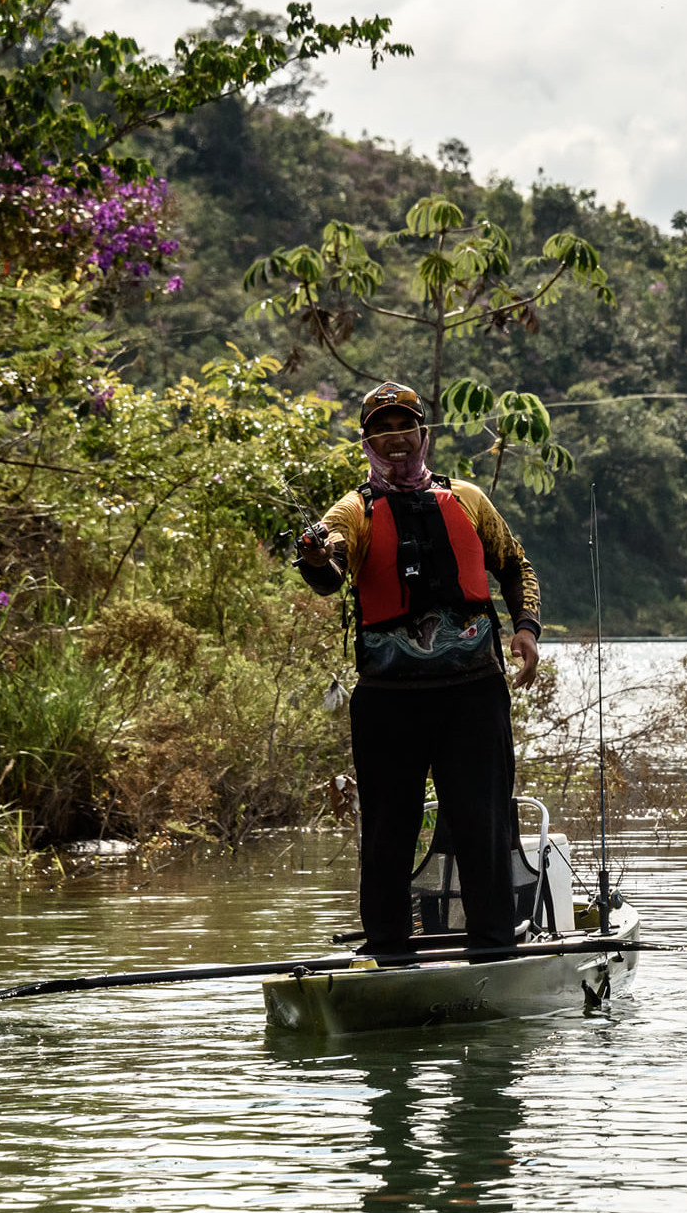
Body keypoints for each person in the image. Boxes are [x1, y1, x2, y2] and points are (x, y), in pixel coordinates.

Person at [295, 381, 544, 958]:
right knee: (387, 832)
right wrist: (315, 555)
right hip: (388, 701)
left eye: (405, 428)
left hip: (473, 695)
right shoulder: (353, 511)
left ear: (423, 434)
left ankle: (493, 949)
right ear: (368, 442)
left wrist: (526, 629)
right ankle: (389, 952)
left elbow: (515, 566)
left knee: (483, 825)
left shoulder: (470, 499)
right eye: (383, 431)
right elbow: (330, 567)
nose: (396, 441)